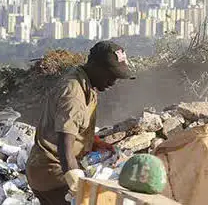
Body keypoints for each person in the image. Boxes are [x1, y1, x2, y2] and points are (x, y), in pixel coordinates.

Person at [26, 41, 134, 205]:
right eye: (111, 75)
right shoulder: (74, 94)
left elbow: (73, 127)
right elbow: (64, 142)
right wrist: (75, 179)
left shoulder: (86, 83)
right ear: (95, 67)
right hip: (53, 173)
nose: (113, 82)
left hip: (46, 169)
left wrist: (95, 142)